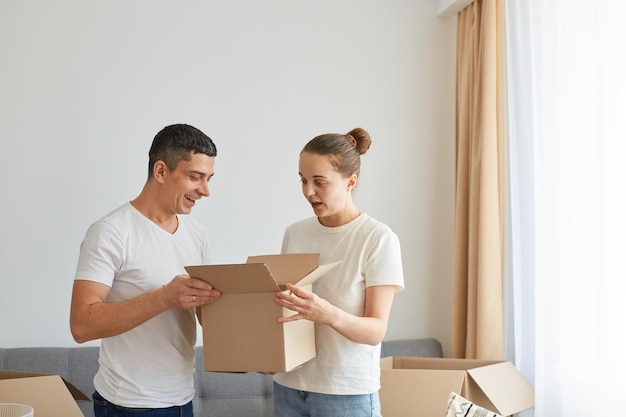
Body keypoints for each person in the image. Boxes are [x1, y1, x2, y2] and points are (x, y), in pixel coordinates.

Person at [69, 123, 221, 417]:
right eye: (195, 177)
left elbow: (208, 313)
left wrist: (258, 350)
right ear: (161, 171)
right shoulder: (111, 232)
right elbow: (81, 325)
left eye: (209, 179)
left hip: (182, 400)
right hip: (128, 405)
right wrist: (163, 298)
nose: (205, 191)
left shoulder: (197, 233)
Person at [272, 127, 405, 417]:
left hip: (345, 392)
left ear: (350, 182)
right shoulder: (294, 234)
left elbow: (376, 330)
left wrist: (327, 314)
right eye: (303, 180)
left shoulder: (377, 239)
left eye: (320, 182)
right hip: (288, 387)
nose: (308, 191)